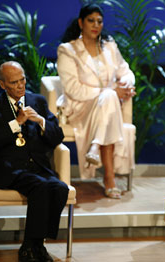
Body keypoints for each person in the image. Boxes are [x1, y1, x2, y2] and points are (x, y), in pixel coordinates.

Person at [0, 61, 68, 262]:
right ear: (3, 85)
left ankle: (35, 244)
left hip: (38, 167)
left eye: (23, 80)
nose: (21, 86)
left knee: (59, 188)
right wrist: (16, 123)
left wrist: (41, 121)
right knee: (42, 187)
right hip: (11, 170)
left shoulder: (38, 101)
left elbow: (58, 136)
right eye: (14, 82)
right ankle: (32, 247)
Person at [57, 4, 135, 198]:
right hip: (80, 107)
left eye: (99, 21)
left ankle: (95, 146)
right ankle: (110, 180)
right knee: (109, 97)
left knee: (108, 100)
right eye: (91, 20)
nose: (96, 25)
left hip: (106, 107)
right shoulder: (68, 50)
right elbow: (73, 89)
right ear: (81, 23)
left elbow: (125, 71)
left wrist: (124, 86)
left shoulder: (109, 46)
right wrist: (111, 91)